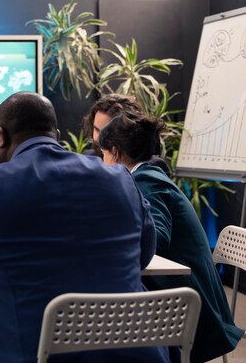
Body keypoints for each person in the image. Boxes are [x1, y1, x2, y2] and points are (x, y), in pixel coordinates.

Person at [0, 92, 175, 363]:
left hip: (26, 353)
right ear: (57, 134)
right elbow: (143, 255)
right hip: (131, 353)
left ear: (0, 136)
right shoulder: (121, 178)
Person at [98, 112, 244, 363]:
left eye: (103, 155)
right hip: (192, 295)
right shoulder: (149, 176)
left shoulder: (146, 181)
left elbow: (159, 238)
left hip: (193, 307)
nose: (103, 162)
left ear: (115, 152)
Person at [83, 93, 171, 175]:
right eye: (96, 129)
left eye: (105, 132)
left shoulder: (150, 166)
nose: (97, 138)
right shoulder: (87, 160)